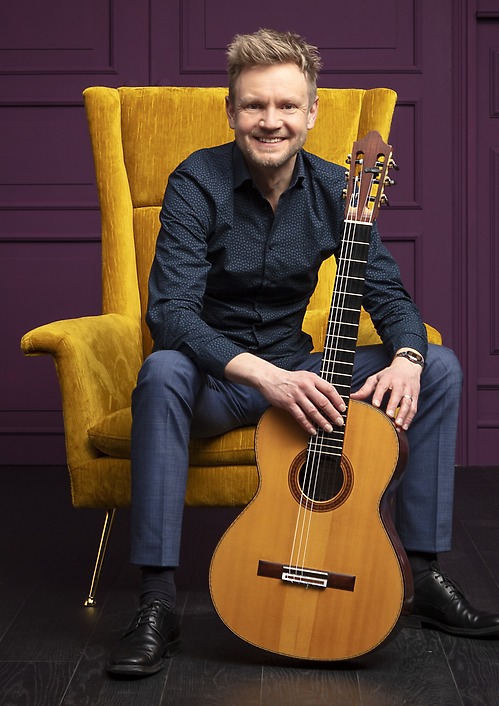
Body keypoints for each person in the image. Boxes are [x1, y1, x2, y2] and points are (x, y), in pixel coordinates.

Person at [107, 28, 499, 677]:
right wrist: (264, 377)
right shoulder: (196, 181)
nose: (271, 120)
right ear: (231, 111)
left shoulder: (338, 188)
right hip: (217, 379)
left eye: (287, 105)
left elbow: (389, 295)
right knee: (161, 369)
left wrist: (407, 356)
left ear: (311, 112)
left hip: (303, 373)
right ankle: (157, 601)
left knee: (440, 366)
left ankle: (425, 577)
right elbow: (170, 312)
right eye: (254, 105)